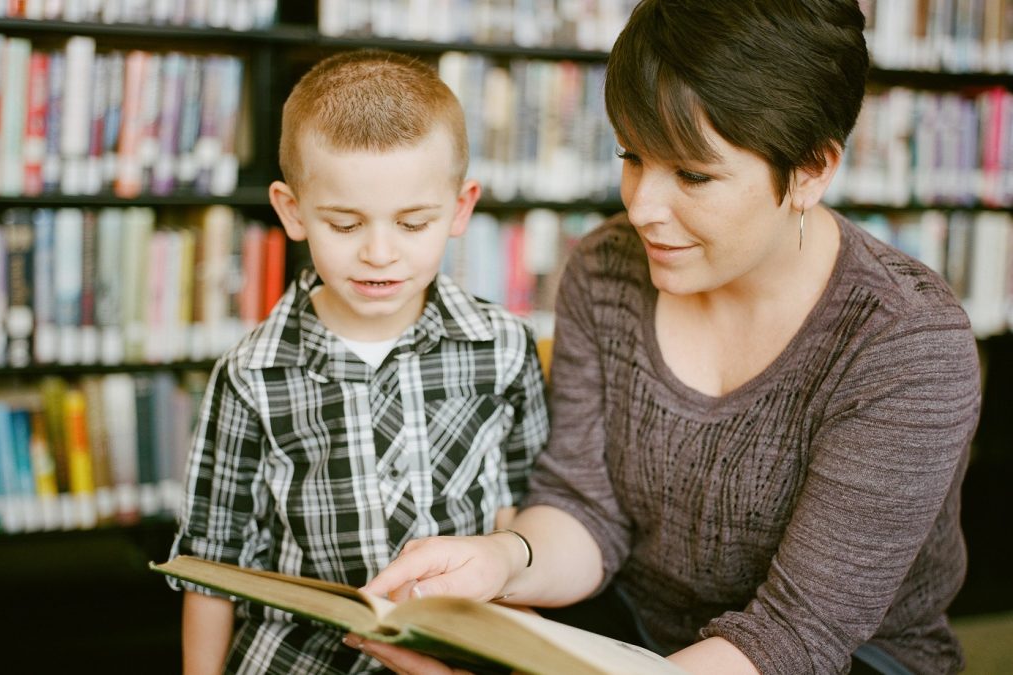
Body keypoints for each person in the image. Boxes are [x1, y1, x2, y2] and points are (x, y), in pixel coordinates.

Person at [356, 2, 981, 674]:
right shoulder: (605, 269)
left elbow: (797, 635)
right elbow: (584, 509)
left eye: (692, 175)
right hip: (629, 635)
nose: (640, 207)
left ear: (810, 169)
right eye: (632, 156)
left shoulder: (905, 342)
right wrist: (502, 560)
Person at [167, 49, 549, 674]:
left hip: (458, 655)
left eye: (412, 223)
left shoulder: (504, 346)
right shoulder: (251, 374)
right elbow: (211, 562)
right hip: (298, 659)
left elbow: (521, 508)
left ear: (460, 208)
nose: (379, 253)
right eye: (345, 225)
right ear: (292, 211)